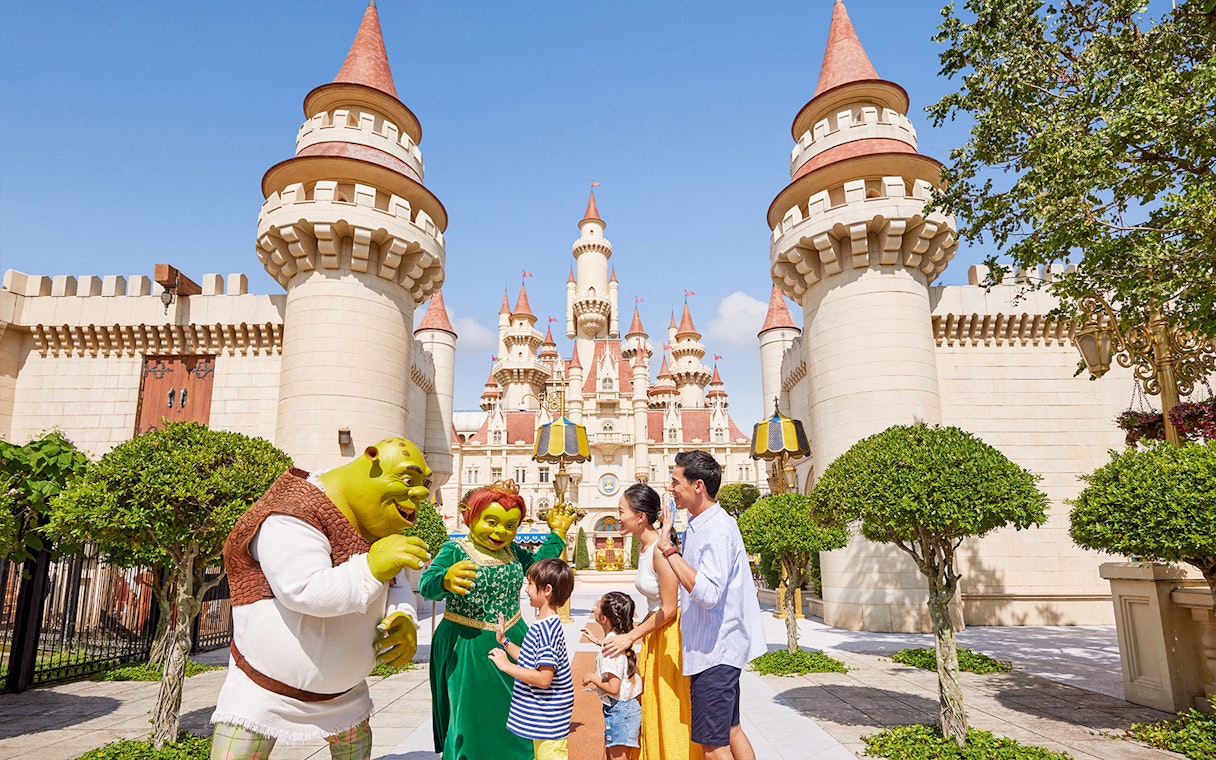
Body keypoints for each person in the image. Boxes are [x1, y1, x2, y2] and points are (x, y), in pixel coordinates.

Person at [211, 438, 432, 760]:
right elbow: (303, 591)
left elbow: (395, 584)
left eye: (423, 484)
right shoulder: (291, 514)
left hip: (345, 698)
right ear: (371, 458)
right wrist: (371, 566)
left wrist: (403, 616)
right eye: (408, 479)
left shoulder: (372, 527)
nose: (422, 493)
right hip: (263, 694)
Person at [418, 482, 576, 760]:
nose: (500, 532)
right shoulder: (455, 549)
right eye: (491, 522)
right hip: (468, 645)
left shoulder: (513, 550)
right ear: (471, 517)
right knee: (472, 716)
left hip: (515, 640)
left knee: (521, 713)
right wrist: (444, 579)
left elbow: (539, 568)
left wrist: (557, 534)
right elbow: (427, 583)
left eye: (509, 526)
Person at [658, 450, 767, 760]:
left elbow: (708, 593)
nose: (671, 487)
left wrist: (669, 553)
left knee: (713, 746)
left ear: (698, 486)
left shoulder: (717, 528)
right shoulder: (700, 523)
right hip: (716, 649)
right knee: (731, 730)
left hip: (715, 652)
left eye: (675, 481)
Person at [601, 483, 702, 760]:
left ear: (640, 517)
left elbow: (670, 608)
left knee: (669, 703)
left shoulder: (659, 549)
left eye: (622, 511)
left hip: (672, 635)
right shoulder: (645, 548)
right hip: (657, 631)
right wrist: (628, 631)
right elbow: (656, 605)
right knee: (654, 703)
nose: (618, 517)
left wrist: (631, 637)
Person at [489, 558, 575, 760]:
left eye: (529, 584)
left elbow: (544, 679)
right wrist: (505, 642)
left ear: (547, 590)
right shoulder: (541, 624)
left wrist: (507, 666)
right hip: (542, 720)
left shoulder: (547, 630)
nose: (525, 589)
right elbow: (529, 659)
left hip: (549, 722)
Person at [582, 592, 643, 760]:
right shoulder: (618, 640)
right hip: (626, 709)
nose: (595, 607)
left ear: (604, 618)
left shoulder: (610, 650)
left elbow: (613, 688)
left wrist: (592, 677)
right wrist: (597, 641)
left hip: (619, 711)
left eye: (598, 605)